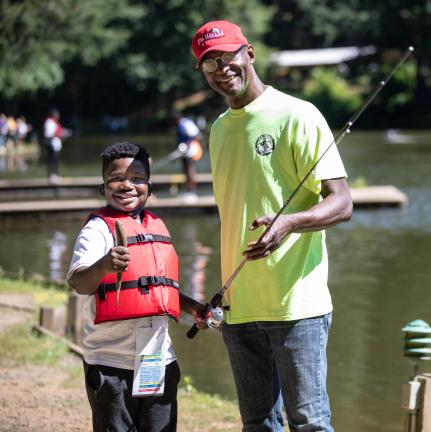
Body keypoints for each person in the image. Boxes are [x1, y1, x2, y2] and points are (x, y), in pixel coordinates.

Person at [192, 20, 353, 431]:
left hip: (296, 304)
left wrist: (290, 222)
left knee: (309, 423)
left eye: (226, 56)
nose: (220, 68)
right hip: (238, 303)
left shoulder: (299, 115)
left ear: (249, 53)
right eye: (209, 63)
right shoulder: (217, 130)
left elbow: (342, 203)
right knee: (258, 424)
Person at [67, 141, 208, 431]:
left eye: (137, 179)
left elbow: (160, 288)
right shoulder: (97, 230)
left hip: (157, 358)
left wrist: (193, 307)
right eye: (116, 179)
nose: (127, 186)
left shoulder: (155, 225)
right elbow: (78, 281)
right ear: (103, 188)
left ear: (150, 187)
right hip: (111, 363)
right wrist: (104, 265)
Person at [172, 112, 202, 201]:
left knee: (190, 171)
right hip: (184, 152)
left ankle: (192, 192)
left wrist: (187, 145)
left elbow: (198, 136)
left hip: (191, 152)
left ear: (176, 119)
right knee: (185, 171)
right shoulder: (179, 125)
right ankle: (188, 190)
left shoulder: (186, 124)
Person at [42, 108, 66, 183]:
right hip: (51, 145)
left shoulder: (54, 122)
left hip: (55, 146)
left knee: (56, 161)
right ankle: (51, 176)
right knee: (51, 161)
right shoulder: (49, 122)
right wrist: (59, 134)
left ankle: (56, 175)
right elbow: (48, 134)